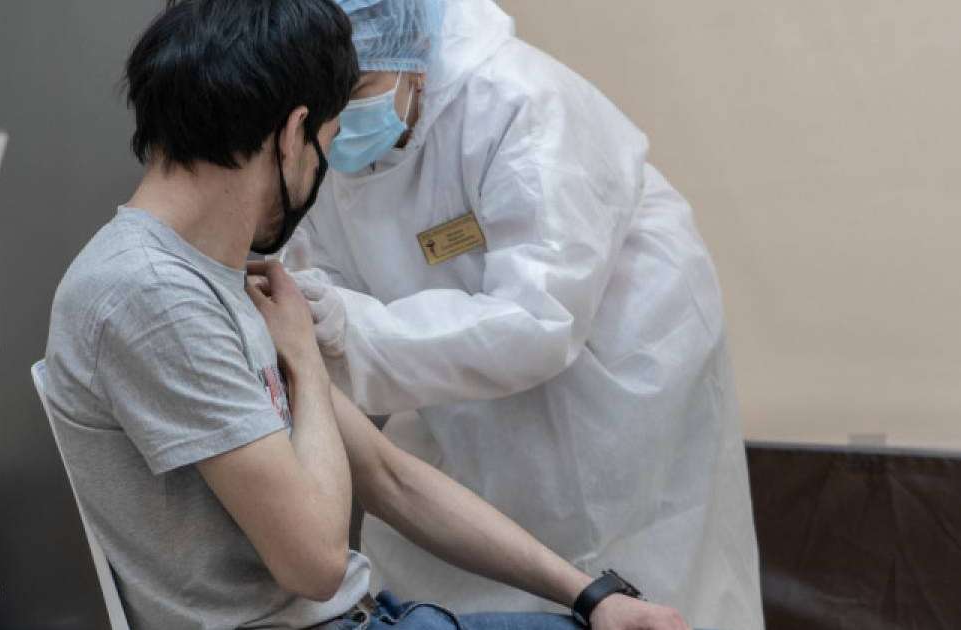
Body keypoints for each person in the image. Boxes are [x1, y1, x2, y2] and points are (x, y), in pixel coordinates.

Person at [44, 2, 694, 629]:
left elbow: (390, 477)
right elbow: (317, 564)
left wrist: (594, 596)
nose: (327, 169)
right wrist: (304, 360)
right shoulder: (153, 296)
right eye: (328, 140)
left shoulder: (211, 281)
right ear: (294, 135)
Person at [283, 1, 764, 629]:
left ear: (411, 56)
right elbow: (314, 275)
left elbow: (540, 318)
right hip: (450, 392)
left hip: (608, 390)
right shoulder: (323, 143)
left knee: (633, 569)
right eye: (325, 99)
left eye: (357, 90)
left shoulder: (517, 104)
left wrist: (352, 328)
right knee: (440, 574)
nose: (341, 116)